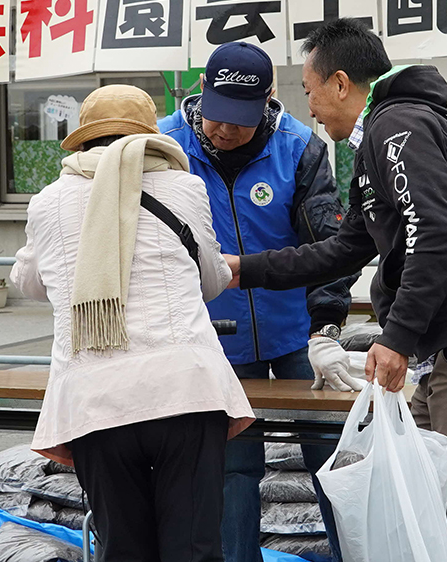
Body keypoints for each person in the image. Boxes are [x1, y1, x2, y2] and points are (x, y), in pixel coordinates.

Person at [224, 18, 447, 562]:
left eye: (310, 91)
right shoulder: (378, 140)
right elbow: (346, 246)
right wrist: (242, 269)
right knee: (423, 496)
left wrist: (395, 337)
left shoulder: (399, 129)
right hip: (445, 348)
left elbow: (435, 234)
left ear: (341, 83)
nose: (311, 108)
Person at [10, 84, 254, 562]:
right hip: (185, 392)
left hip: (95, 400)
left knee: (122, 547)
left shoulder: (47, 201)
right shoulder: (185, 187)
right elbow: (210, 279)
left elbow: (30, 283)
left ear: (82, 140)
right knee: (193, 547)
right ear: (150, 138)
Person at [159, 41, 354, 562]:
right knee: (232, 469)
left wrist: (326, 329)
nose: (225, 131)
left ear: (268, 100)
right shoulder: (164, 147)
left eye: (240, 122)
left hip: (295, 335)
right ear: (202, 91)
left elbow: (328, 247)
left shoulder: (299, 148)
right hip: (212, 340)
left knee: (331, 460)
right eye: (218, 116)